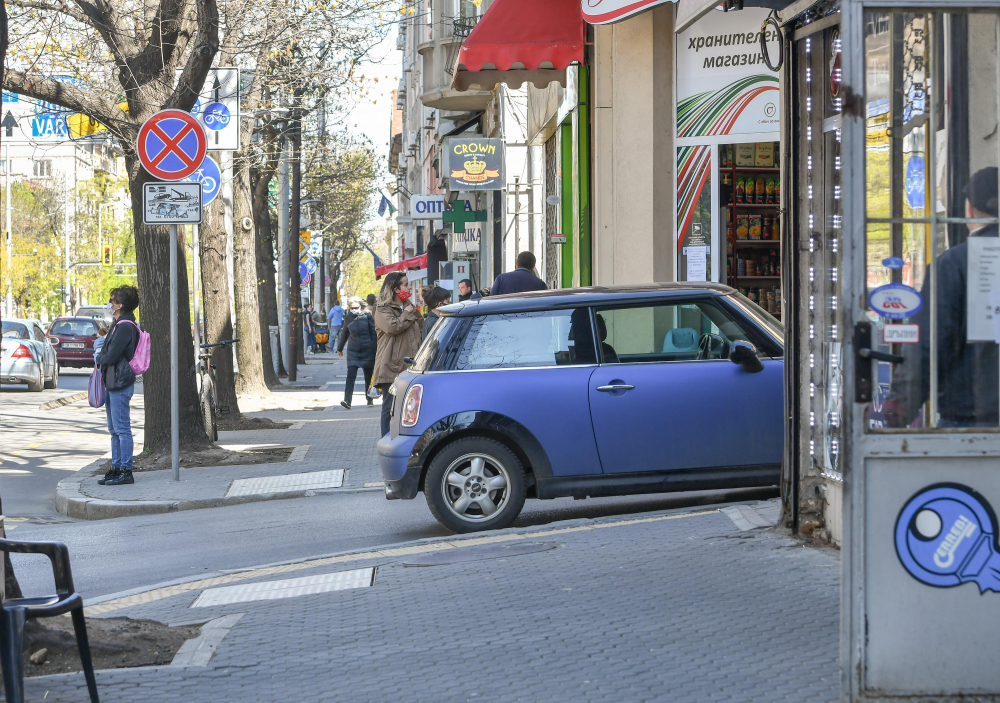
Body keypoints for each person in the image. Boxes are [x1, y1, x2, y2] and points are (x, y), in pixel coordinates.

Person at [893, 166, 999, 427]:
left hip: (971, 420)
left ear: (969, 210)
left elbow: (929, 345)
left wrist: (897, 410)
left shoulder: (952, 265)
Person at [96, 285, 140, 486]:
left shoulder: (125, 326)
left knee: (122, 428)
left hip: (120, 381)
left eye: (112, 301)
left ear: (120, 305)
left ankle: (126, 470)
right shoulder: (118, 322)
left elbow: (111, 354)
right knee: (114, 429)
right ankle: (116, 467)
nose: (110, 304)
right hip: (113, 381)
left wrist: (99, 357)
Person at [373, 272, 423, 436]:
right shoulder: (382, 308)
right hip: (391, 365)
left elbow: (420, 327)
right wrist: (407, 313)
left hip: (411, 365)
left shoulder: (408, 305)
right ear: (395, 289)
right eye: (406, 285)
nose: (409, 288)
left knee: (409, 408)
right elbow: (393, 327)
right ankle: (386, 440)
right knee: (389, 407)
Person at [337, 300, 377, 409]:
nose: (354, 310)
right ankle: (347, 400)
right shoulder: (348, 318)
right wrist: (339, 348)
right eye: (352, 308)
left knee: (368, 376)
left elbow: (373, 333)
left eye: (356, 307)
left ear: (360, 306)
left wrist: (375, 349)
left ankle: (369, 399)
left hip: (367, 350)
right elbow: (344, 334)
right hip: (353, 350)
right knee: (351, 375)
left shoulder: (367, 316)